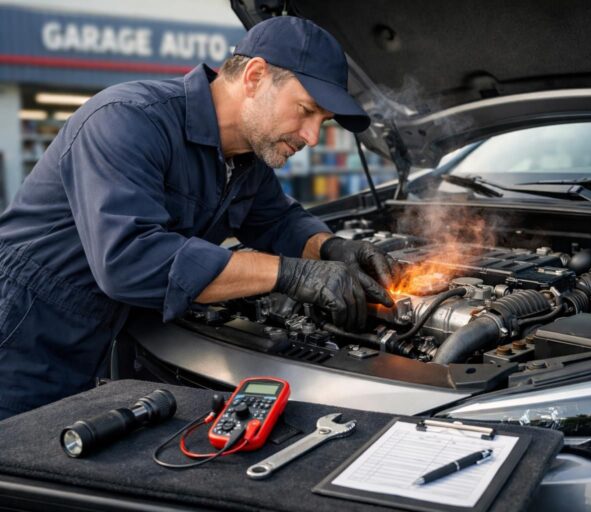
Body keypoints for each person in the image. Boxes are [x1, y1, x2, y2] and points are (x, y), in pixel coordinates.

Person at [0, 16, 396, 420]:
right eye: (306, 111)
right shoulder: (128, 120)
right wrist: (291, 275)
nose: (312, 137)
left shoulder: (245, 159)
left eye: (322, 122)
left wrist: (333, 248)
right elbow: (128, 260)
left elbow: (277, 220)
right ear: (255, 77)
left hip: (109, 341)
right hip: (22, 337)